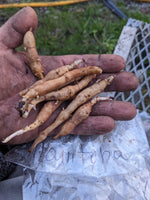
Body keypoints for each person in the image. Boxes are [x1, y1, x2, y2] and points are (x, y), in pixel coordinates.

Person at [0, 7, 138, 145]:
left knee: (61, 94)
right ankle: (32, 103)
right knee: (53, 92)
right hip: (52, 88)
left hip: (63, 87)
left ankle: (33, 104)